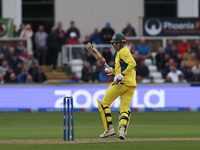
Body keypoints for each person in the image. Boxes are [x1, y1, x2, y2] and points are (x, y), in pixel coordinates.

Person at [97, 33, 137, 140]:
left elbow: (133, 63)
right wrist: (113, 71)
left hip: (122, 83)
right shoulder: (121, 52)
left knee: (103, 103)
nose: (114, 45)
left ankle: (109, 129)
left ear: (121, 43)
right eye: (113, 43)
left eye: (116, 43)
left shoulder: (123, 51)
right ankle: (122, 131)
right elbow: (124, 67)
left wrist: (121, 75)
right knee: (124, 109)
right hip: (131, 85)